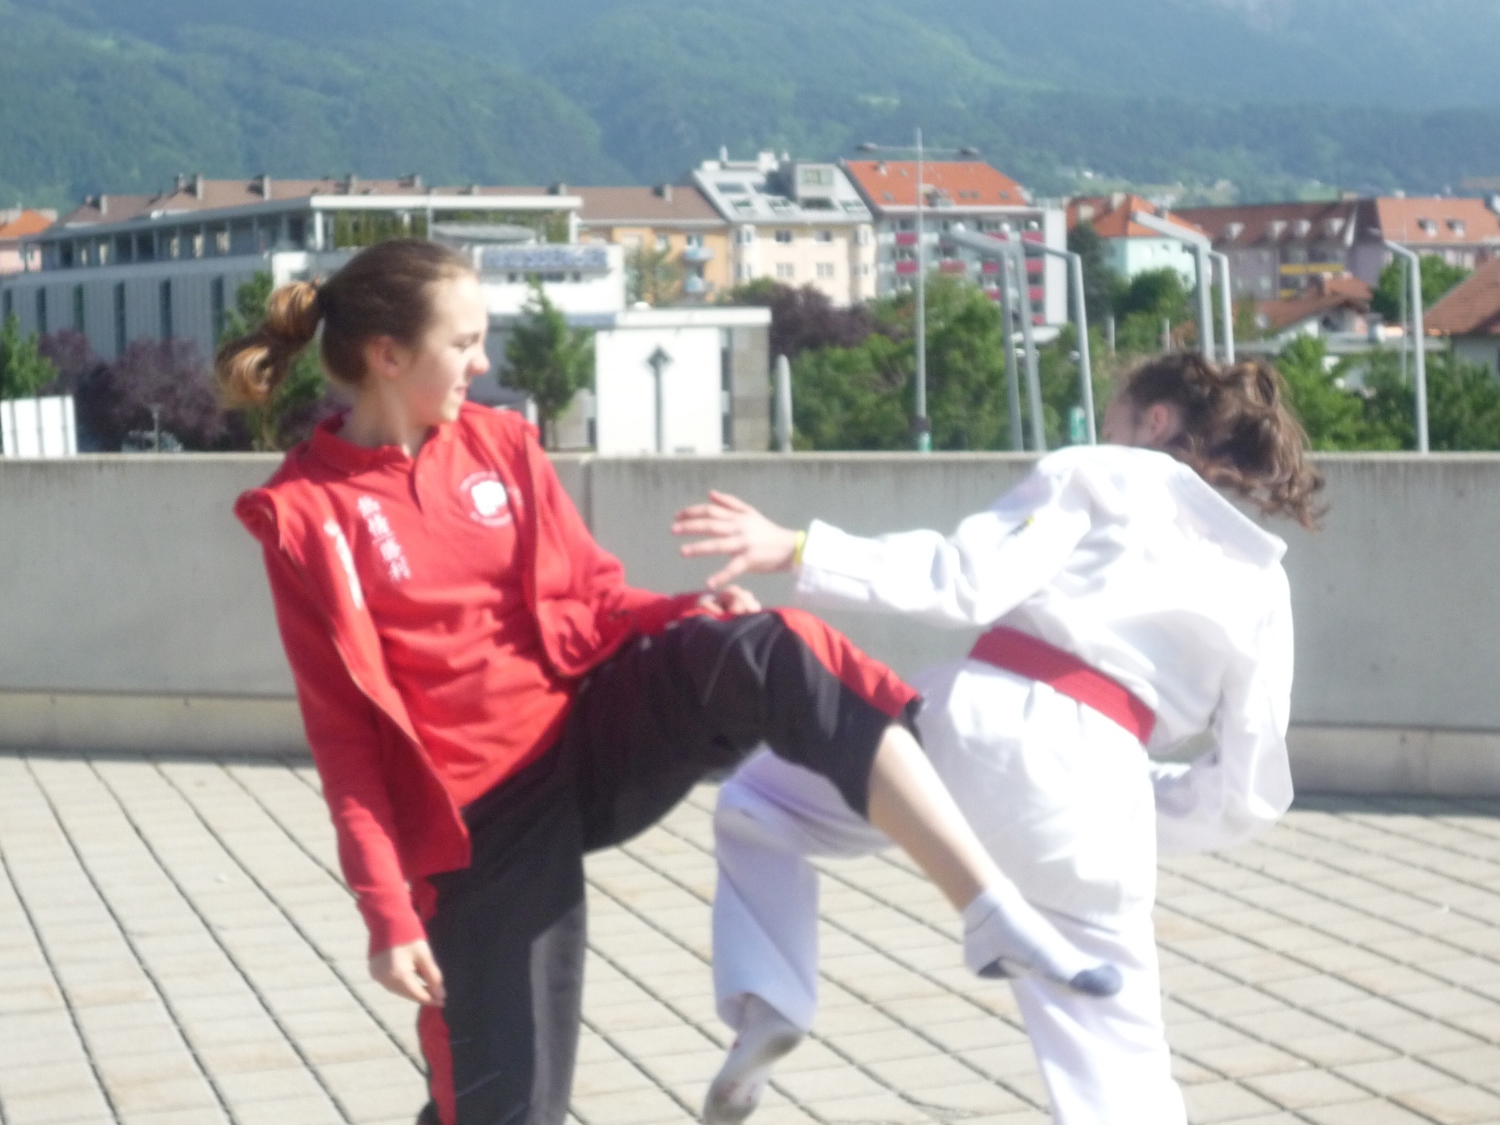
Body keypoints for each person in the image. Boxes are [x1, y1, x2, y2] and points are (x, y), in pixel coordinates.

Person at [218, 239, 1118, 1125]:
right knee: (510, 1110)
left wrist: (687, 610)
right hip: (482, 827)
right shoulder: (305, 517)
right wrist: (387, 911)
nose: (483, 363)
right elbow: (346, 740)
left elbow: (590, 598)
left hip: (588, 733)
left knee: (768, 647)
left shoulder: (499, 444)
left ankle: (987, 906)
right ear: (387, 355)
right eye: (464, 343)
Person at [673, 352, 1321, 1124]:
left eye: (1114, 417)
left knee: (758, 805)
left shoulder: (1103, 472)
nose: (1105, 430)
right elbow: (1249, 790)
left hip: (976, 728)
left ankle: (769, 1000)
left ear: (1155, 421)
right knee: (1120, 1073)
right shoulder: (1261, 580)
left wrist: (804, 547)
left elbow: (963, 579)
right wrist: (1138, 804)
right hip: (1101, 792)